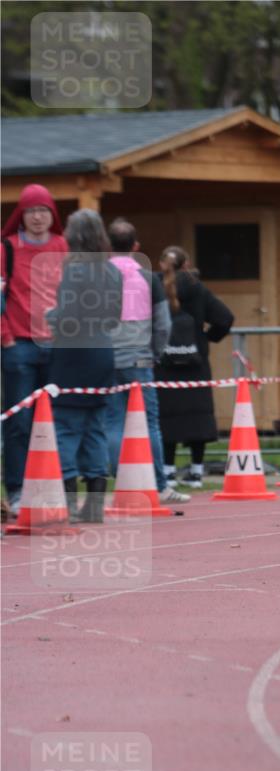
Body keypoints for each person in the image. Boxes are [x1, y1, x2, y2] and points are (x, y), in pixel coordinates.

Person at [105, 218, 190, 504]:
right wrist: (155, 352)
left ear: (107, 247)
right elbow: (163, 323)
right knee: (149, 422)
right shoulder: (148, 278)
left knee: (114, 421)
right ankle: (159, 484)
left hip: (108, 357)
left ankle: (123, 483)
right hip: (141, 357)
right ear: (136, 246)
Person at [46, 210, 122, 523]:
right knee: (95, 428)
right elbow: (114, 318)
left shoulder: (74, 271)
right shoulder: (112, 271)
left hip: (73, 355)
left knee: (66, 427)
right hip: (103, 352)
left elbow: (69, 318)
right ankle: (93, 504)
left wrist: (51, 315)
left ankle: (69, 500)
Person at [1, 183, 68, 515]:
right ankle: (15, 490)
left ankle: (50, 487)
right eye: (31, 211)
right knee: (19, 422)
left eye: (44, 211)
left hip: (54, 345)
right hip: (18, 347)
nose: (38, 217)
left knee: (54, 420)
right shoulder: (6, 248)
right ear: (21, 216)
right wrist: (6, 337)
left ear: (52, 215)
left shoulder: (61, 246)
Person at [155, 246, 234, 488]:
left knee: (166, 417)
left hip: (164, 364)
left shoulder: (155, 287)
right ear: (186, 264)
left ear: (161, 265)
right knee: (197, 418)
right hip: (195, 364)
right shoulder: (198, 289)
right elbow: (225, 318)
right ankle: (197, 473)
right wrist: (207, 338)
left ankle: (167, 471)